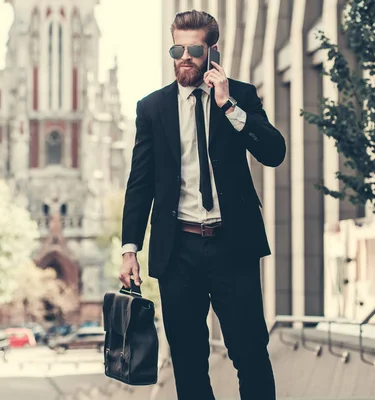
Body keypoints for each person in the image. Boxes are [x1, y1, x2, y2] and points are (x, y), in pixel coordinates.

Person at [119, 10, 285, 400]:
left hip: (233, 245)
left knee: (250, 355)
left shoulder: (240, 96)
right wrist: (130, 249)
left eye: (194, 49)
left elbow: (274, 152)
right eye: (178, 48)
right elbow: (139, 184)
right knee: (189, 364)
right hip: (178, 250)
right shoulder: (152, 108)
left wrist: (227, 105)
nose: (185, 57)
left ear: (212, 51)